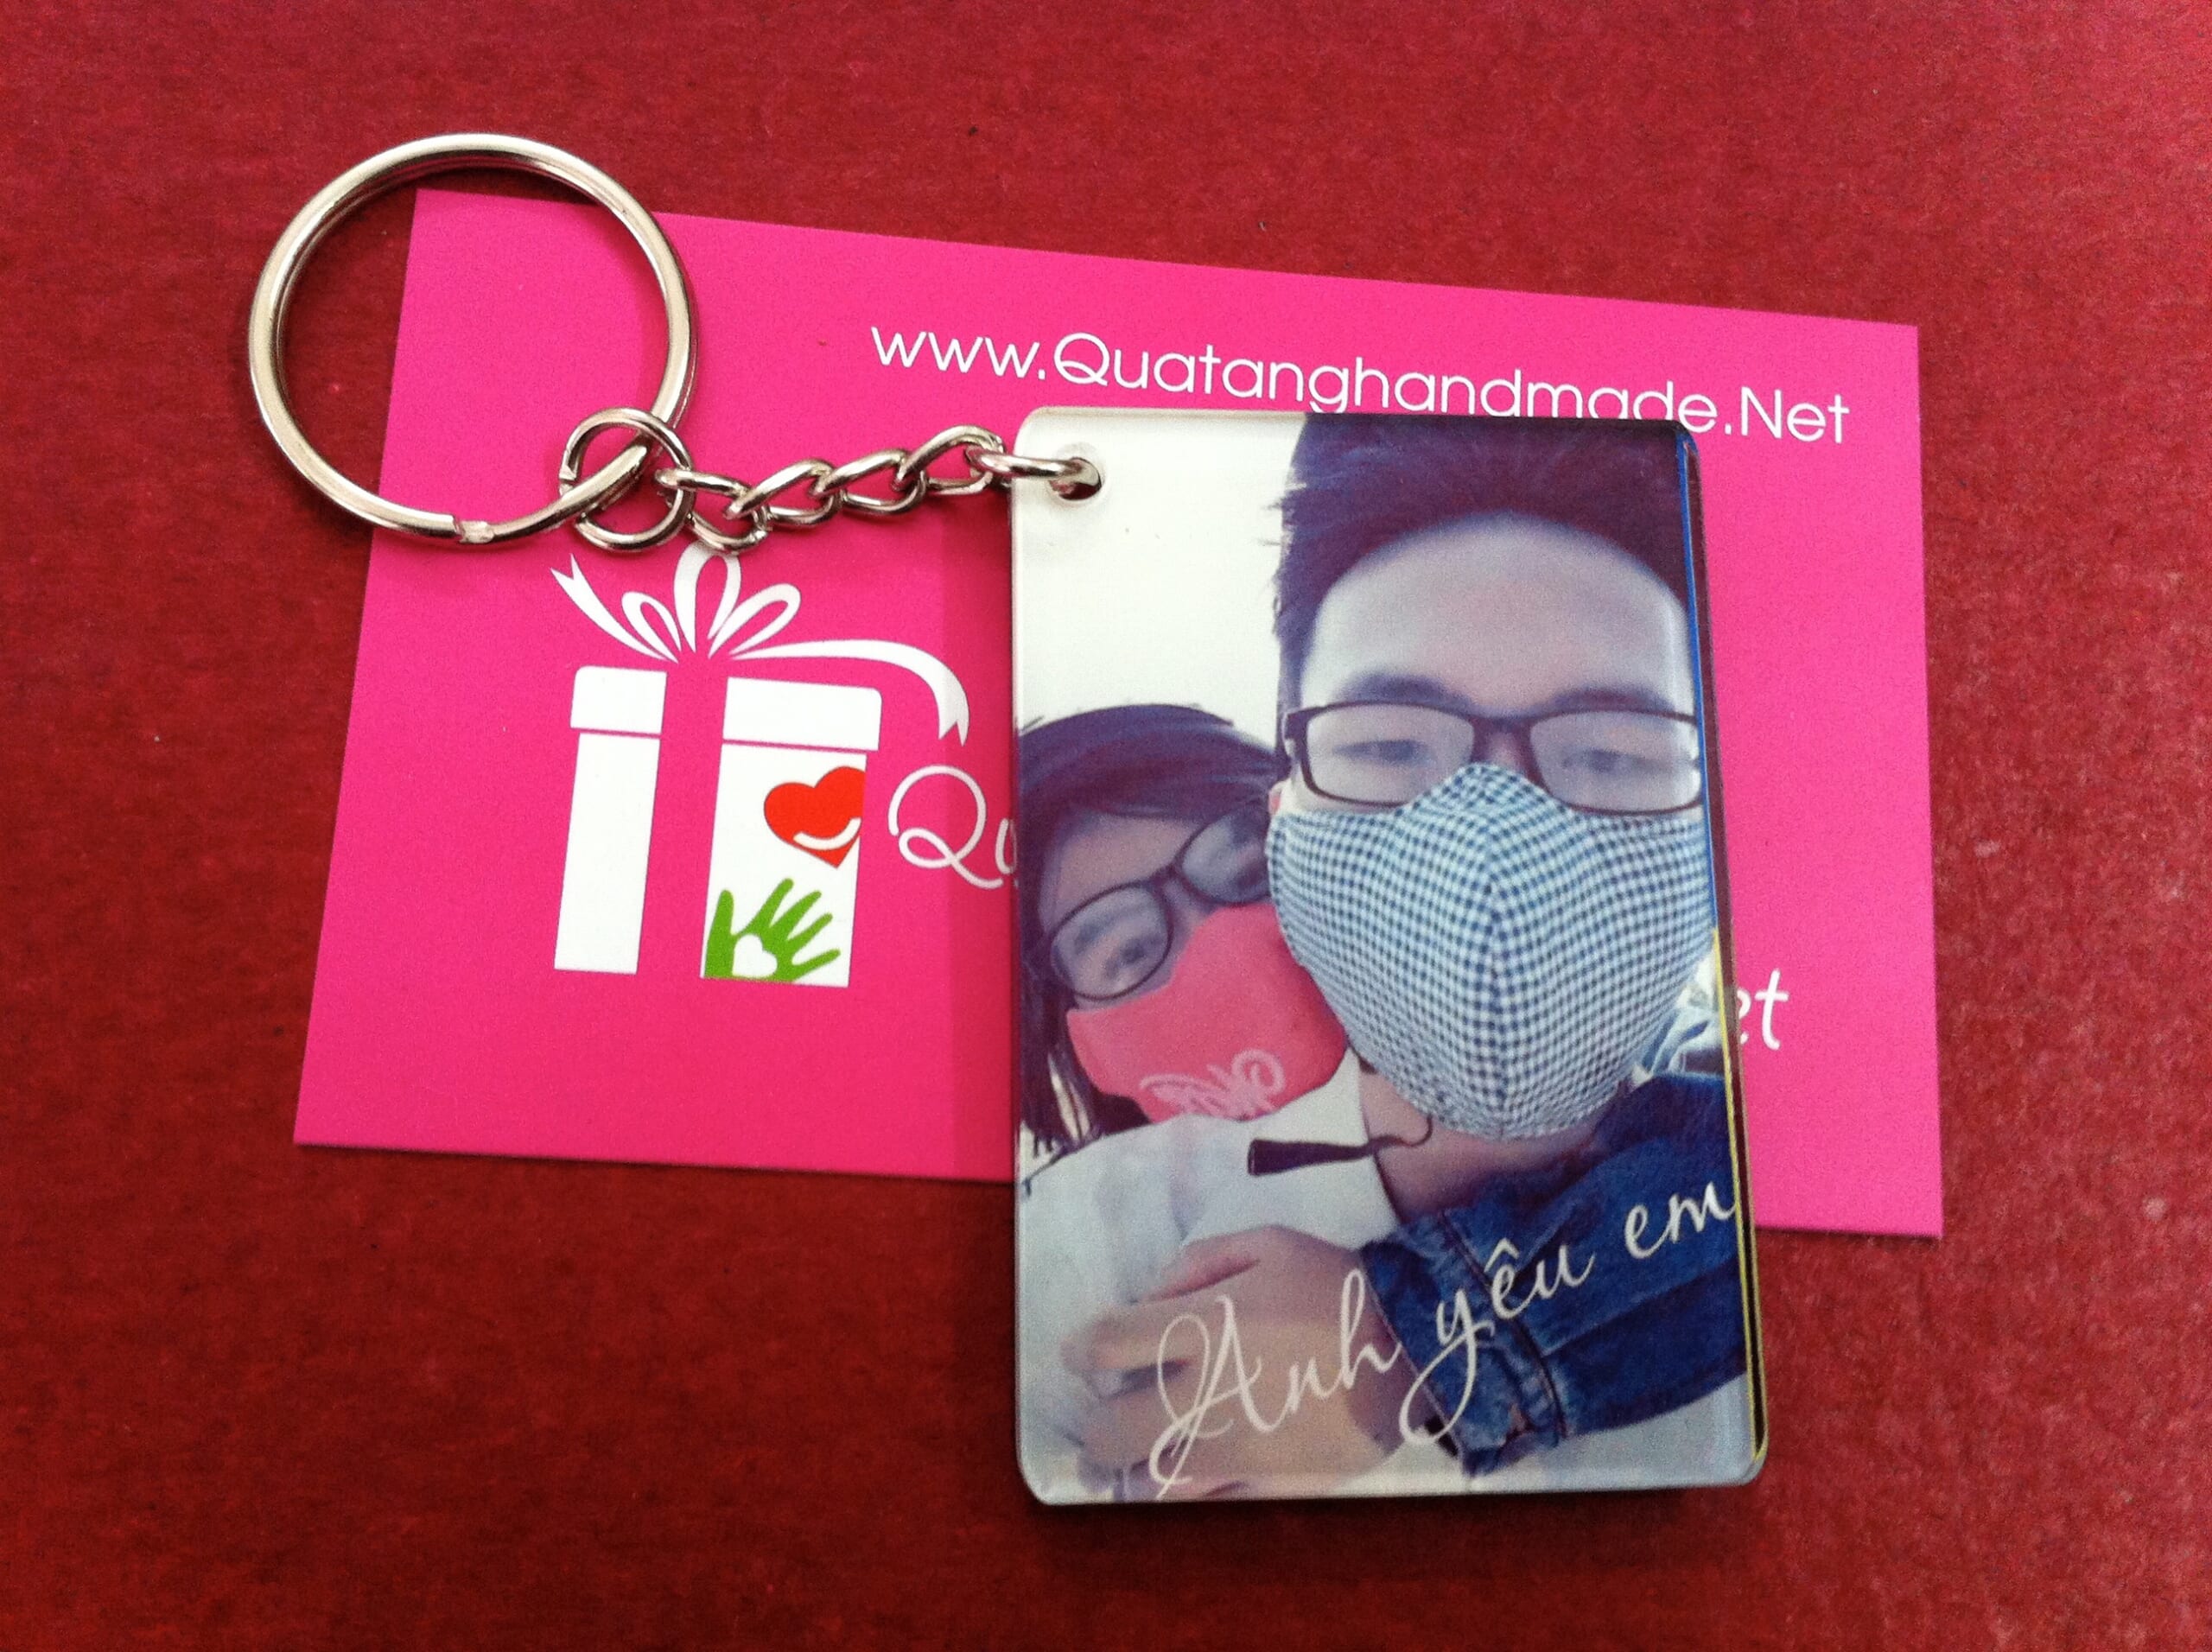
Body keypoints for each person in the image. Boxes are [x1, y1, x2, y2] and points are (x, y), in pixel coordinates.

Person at [1052, 416, 1757, 1499]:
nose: (1492, 845)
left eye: (1612, 754)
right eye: (1387, 745)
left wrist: (1416, 1342)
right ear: (1284, 826)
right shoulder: (1096, 1243)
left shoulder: (1779, 1171)